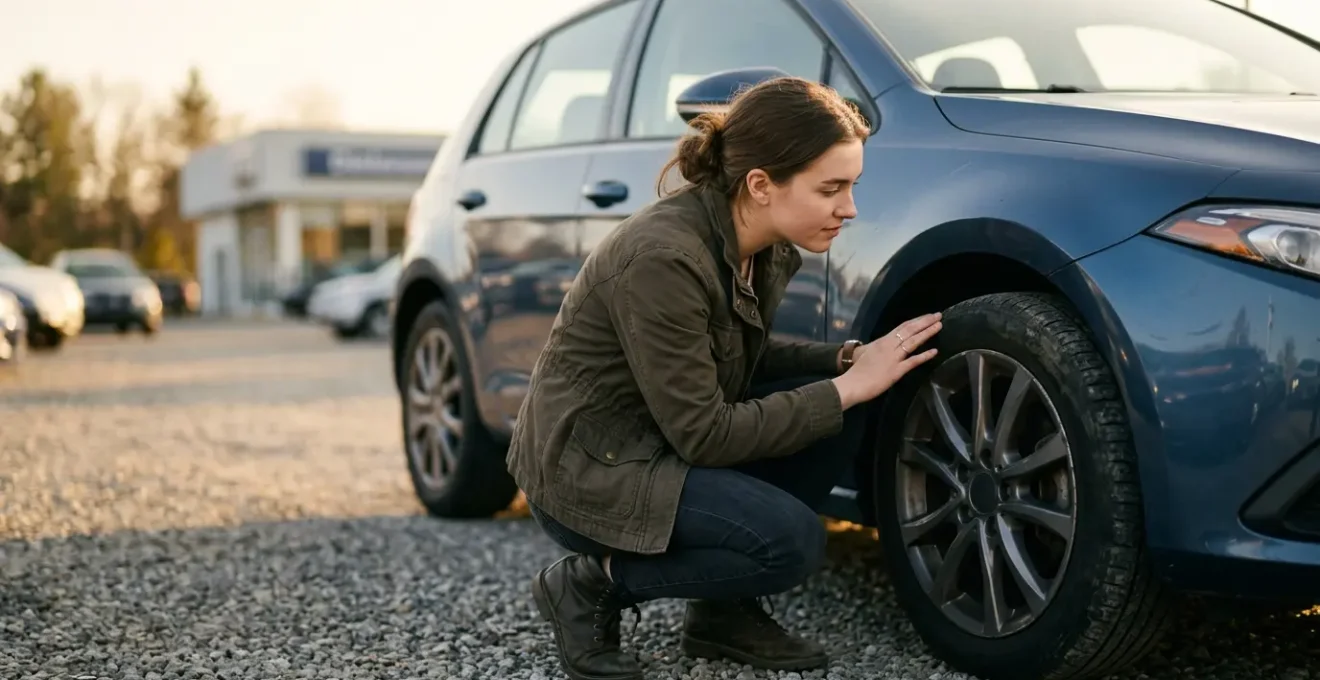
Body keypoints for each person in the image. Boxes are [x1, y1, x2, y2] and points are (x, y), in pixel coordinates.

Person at [505, 76, 943, 680]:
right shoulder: (664, 259)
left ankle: (721, 616)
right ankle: (588, 584)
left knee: (850, 406)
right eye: (831, 188)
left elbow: (738, 356)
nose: (850, 208)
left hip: (661, 438)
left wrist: (847, 362)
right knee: (790, 543)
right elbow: (705, 435)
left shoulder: (762, 242)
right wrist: (845, 386)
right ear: (761, 185)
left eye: (852, 186)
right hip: (594, 469)